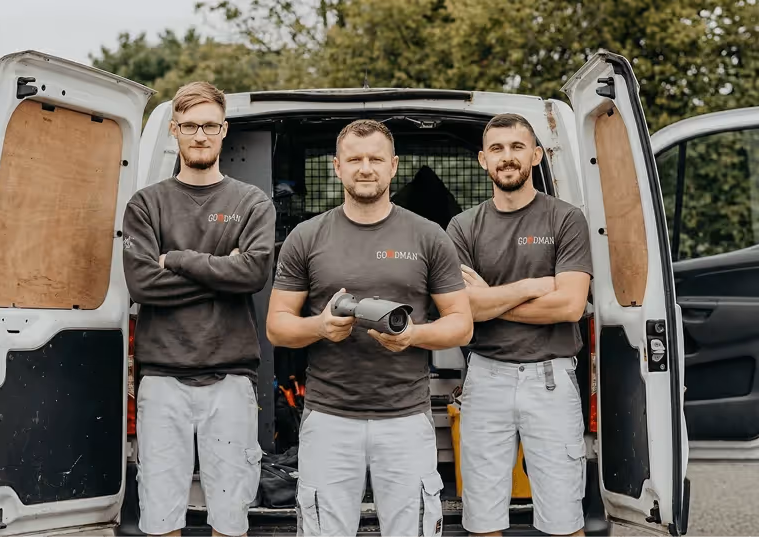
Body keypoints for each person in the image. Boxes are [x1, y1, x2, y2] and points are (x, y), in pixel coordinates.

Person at [266, 119, 473, 537]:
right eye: (354, 159)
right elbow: (277, 327)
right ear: (336, 167)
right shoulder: (306, 238)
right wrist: (321, 326)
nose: (365, 168)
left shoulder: (428, 235)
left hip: (405, 418)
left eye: (376, 159)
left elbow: (461, 325)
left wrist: (413, 335)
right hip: (328, 417)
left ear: (394, 166)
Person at [122, 81, 276, 537]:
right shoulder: (146, 204)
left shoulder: (250, 202)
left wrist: (181, 260)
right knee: (160, 514)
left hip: (230, 379)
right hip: (162, 379)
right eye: (190, 126)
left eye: (210, 125)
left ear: (224, 129)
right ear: (175, 131)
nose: (201, 135)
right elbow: (142, 283)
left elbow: (252, 275)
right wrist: (221, 274)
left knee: (231, 517)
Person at [446, 114, 593, 537]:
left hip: (550, 380)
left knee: (564, 518)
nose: (507, 158)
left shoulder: (565, 220)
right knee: (482, 519)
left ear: (536, 154)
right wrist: (530, 287)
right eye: (496, 149)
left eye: (516, 147)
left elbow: (568, 305)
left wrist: (489, 298)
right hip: (485, 378)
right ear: (482, 159)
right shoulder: (463, 226)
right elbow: (461, 307)